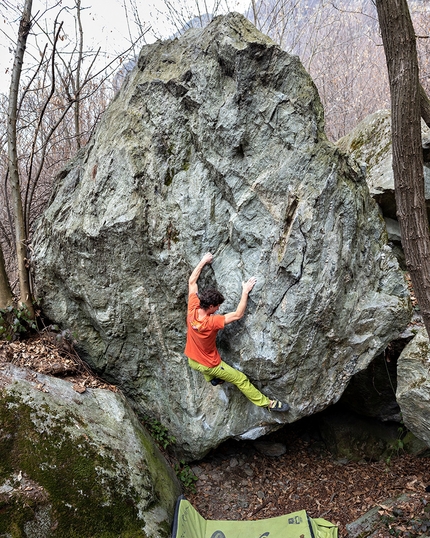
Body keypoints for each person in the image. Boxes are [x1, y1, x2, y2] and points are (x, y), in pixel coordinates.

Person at [184, 252, 289, 412]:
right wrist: (245, 291)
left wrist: (203, 261)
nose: (218, 308)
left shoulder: (193, 308)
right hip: (209, 364)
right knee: (241, 379)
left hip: (192, 359)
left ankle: (212, 379)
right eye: (217, 306)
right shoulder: (211, 322)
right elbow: (238, 314)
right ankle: (268, 404)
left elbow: (192, 281)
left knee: (204, 369)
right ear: (211, 307)